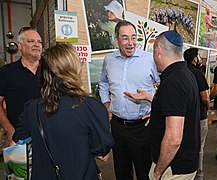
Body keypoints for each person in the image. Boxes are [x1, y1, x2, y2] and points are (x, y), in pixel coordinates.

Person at [13, 43, 114, 180]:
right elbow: (103, 155)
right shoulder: (90, 108)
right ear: (74, 70)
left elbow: (18, 140)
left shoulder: (32, 108)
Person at [125, 30, 200, 180]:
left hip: (173, 168)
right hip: (180, 163)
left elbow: (173, 139)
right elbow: (178, 108)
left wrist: (158, 171)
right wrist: (154, 105)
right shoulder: (185, 74)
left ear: (158, 50)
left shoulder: (174, 82)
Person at [99, 20, 160, 180]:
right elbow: (104, 82)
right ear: (116, 39)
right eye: (125, 38)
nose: (130, 43)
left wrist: (157, 110)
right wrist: (106, 103)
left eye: (134, 37)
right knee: (121, 171)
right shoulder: (109, 60)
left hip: (142, 127)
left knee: (144, 172)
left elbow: (164, 86)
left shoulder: (149, 60)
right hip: (118, 127)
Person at [0, 27, 42, 146]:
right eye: (31, 41)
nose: (36, 45)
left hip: (49, 134)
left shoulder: (50, 70)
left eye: (39, 42)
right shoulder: (6, 73)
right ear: (20, 46)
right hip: (20, 138)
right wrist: (9, 131)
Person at [184, 48, 210, 180]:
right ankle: (198, 174)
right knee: (199, 145)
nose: (200, 59)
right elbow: (205, 97)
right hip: (199, 116)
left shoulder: (182, 71)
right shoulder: (198, 73)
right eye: (199, 56)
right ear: (194, 58)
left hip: (184, 116)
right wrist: (209, 106)